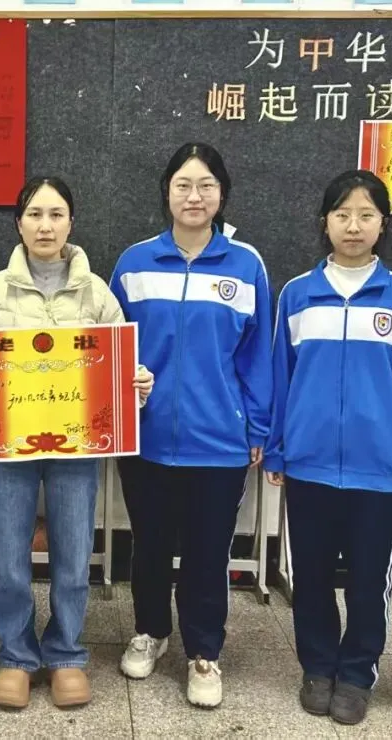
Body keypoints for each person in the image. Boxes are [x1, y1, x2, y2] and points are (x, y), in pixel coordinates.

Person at [0, 176, 154, 709]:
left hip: (77, 448)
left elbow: (120, 364)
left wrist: (136, 382)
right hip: (7, 447)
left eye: (56, 214)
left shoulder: (96, 292)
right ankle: (15, 654)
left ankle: (66, 653)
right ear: (19, 223)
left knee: (73, 553)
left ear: (71, 223)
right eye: (34, 214)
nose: (45, 225)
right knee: (8, 553)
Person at [264, 170, 392, 725]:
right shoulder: (298, 295)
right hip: (309, 464)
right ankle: (318, 667)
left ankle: (358, 672)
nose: (353, 226)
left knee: (369, 582)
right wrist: (277, 449)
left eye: (366, 215)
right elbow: (280, 379)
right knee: (312, 577)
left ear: (383, 224)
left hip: (380, 469)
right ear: (325, 222)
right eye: (342, 214)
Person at [108, 143, 272, 708]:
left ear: (221, 193)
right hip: (146, 436)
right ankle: (150, 631)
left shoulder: (246, 266)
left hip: (219, 440)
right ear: (167, 192)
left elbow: (257, 356)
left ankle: (204, 651)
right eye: (183, 184)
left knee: (207, 552)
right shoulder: (134, 264)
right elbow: (109, 347)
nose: (194, 196)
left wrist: (257, 427)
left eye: (205, 185)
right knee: (149, 544)